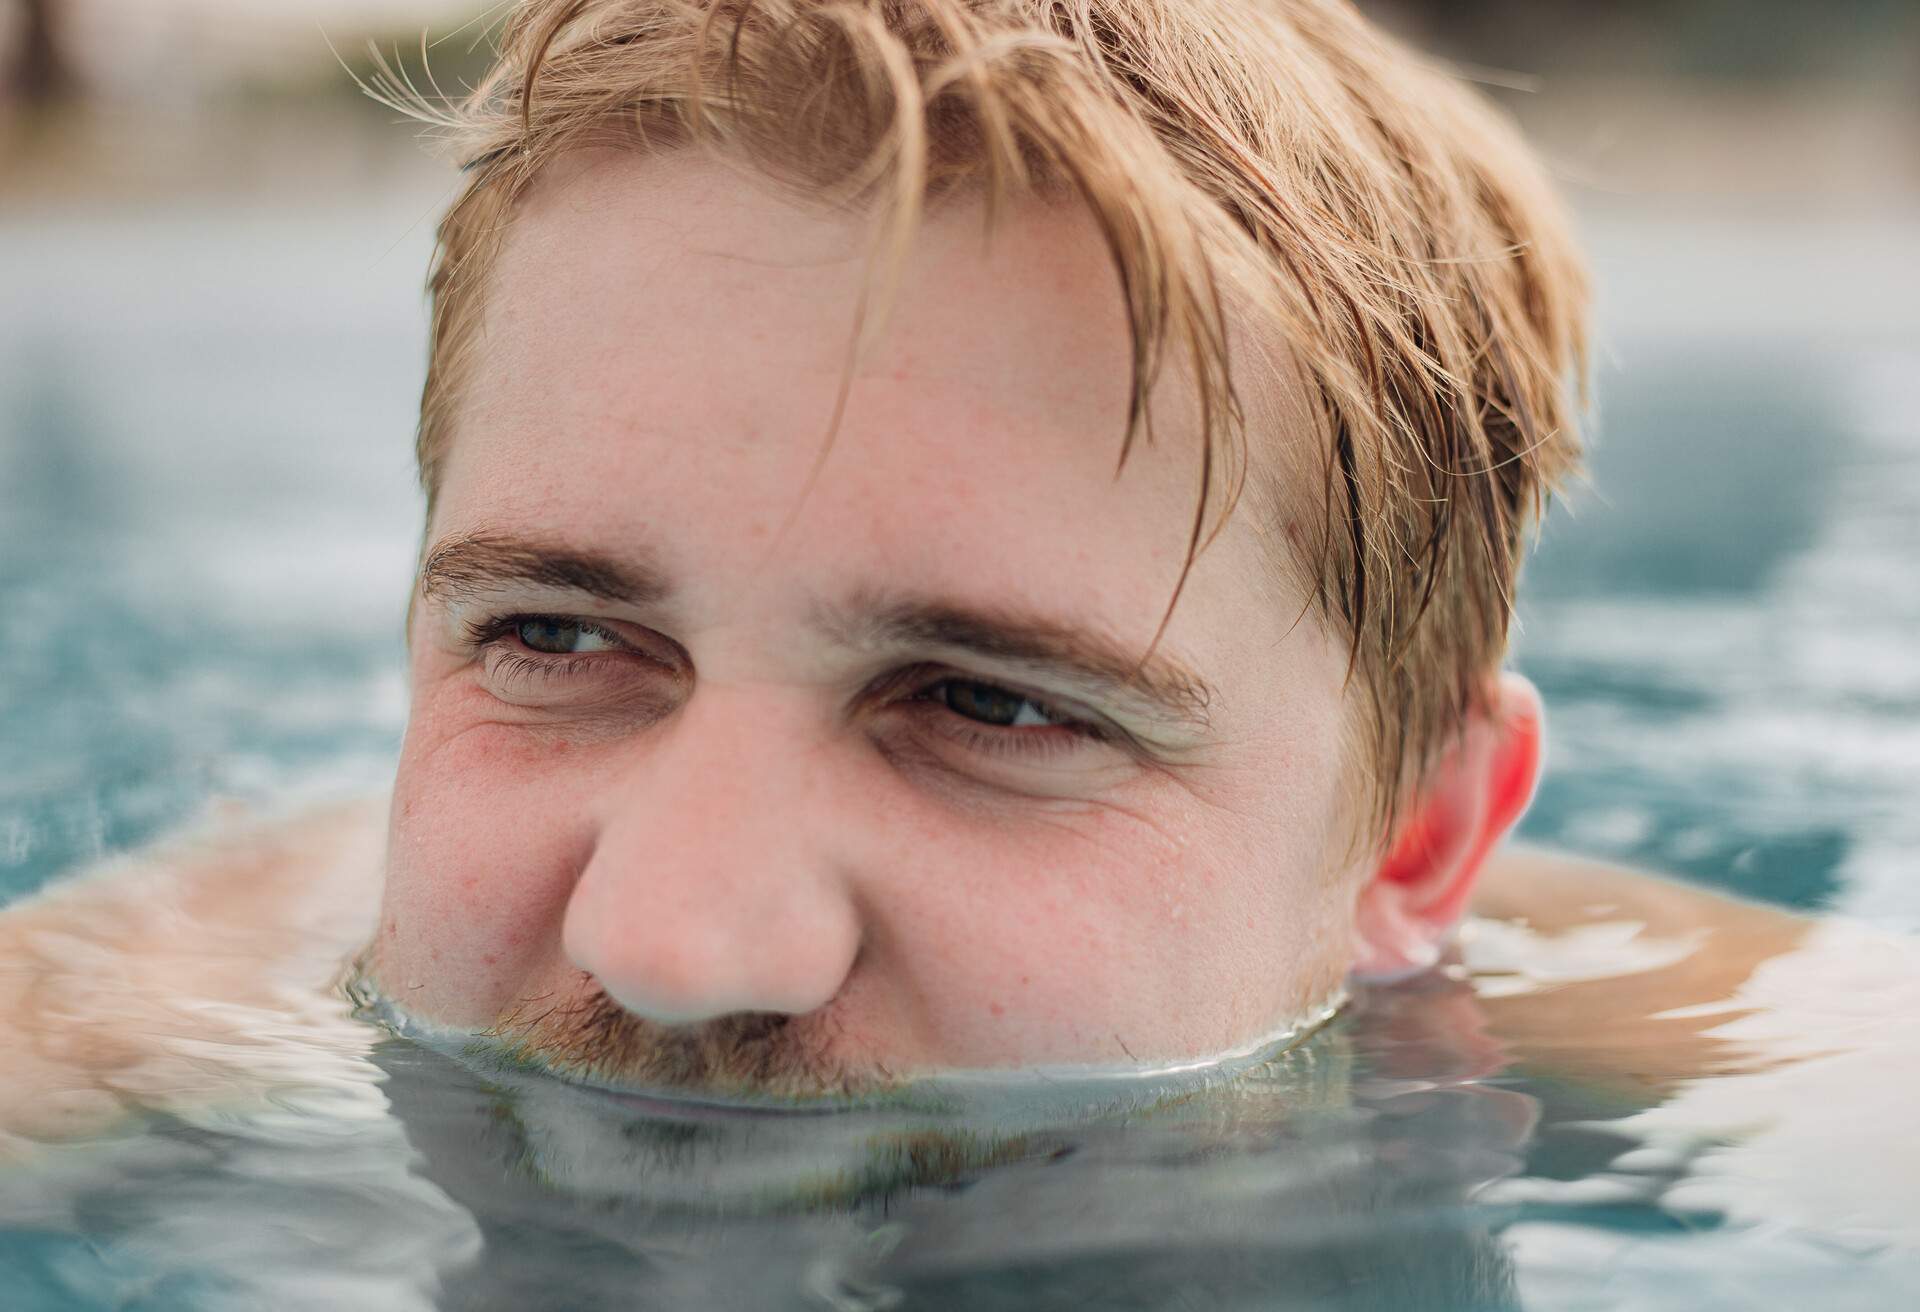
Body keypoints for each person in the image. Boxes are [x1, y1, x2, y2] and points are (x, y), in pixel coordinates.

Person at [0, 0, 1812, 1118]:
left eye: (987, 703)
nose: (670, 946)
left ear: (1416, 840)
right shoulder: (174, 992)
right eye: (556, 636)